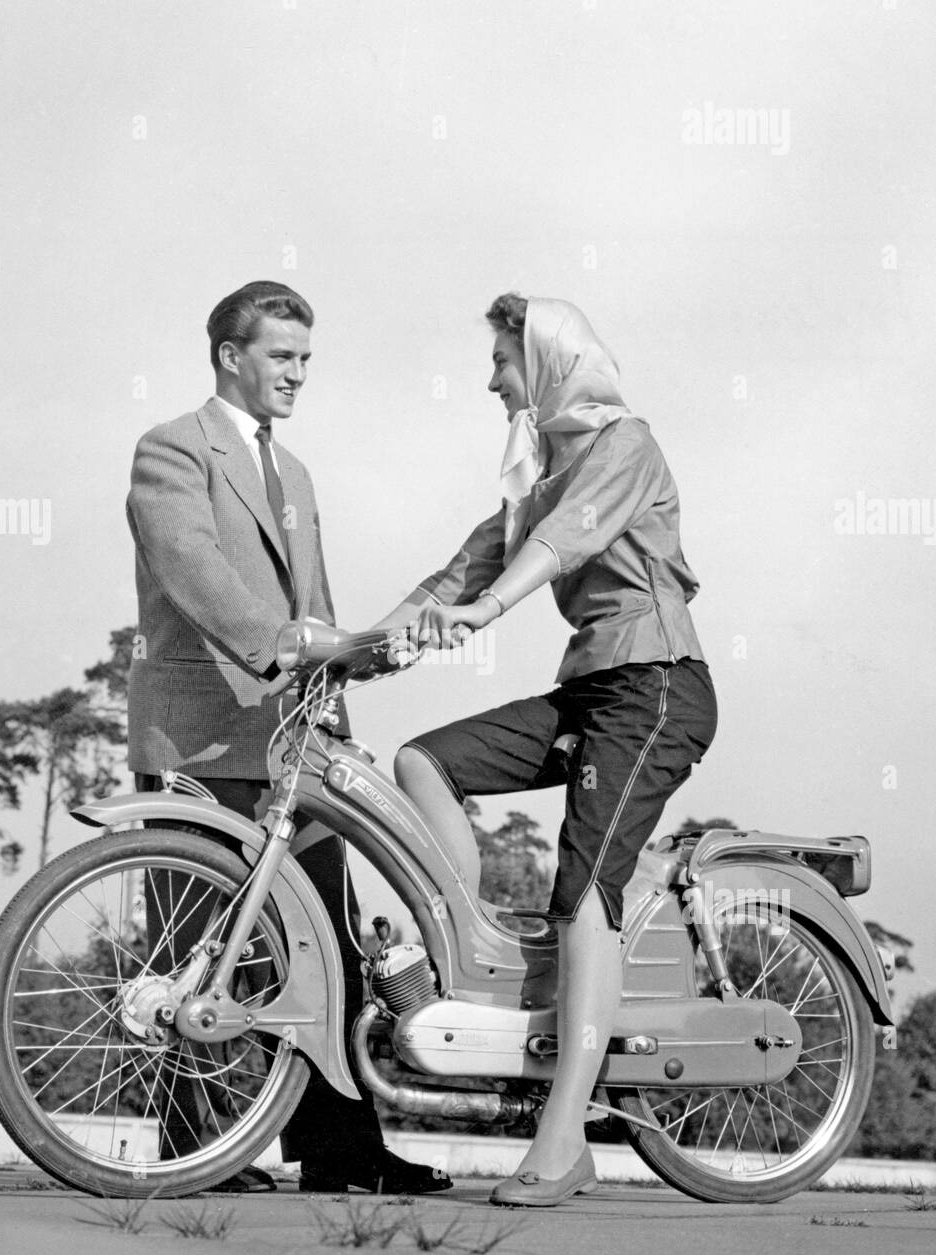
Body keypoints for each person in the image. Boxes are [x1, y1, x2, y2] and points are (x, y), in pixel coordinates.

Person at [377, 294, 718, 1207]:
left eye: (501, 359)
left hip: (655, 682)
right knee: (423, 761)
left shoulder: (624, 444)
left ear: (549, 358)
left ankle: (564, 1140)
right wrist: (353, 651)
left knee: (582, 894)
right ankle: (466, 963)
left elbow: (563, 547)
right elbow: (457, 573)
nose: (490, 379)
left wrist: (487, 612)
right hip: (592, 689)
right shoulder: (537, 470)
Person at [126, 279, 450, 1195]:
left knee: (329, 943)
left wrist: (339, 704)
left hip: (295, 747)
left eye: (306, 358)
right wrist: (284, 644)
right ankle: (193, 1151)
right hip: (195, 738)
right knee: (190, 948)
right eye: (281, 356)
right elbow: (192, 567)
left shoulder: (296, 474)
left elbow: (317, 609)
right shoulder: (171, 450)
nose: (298, 374)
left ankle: (340, 1150)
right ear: (230, 355)